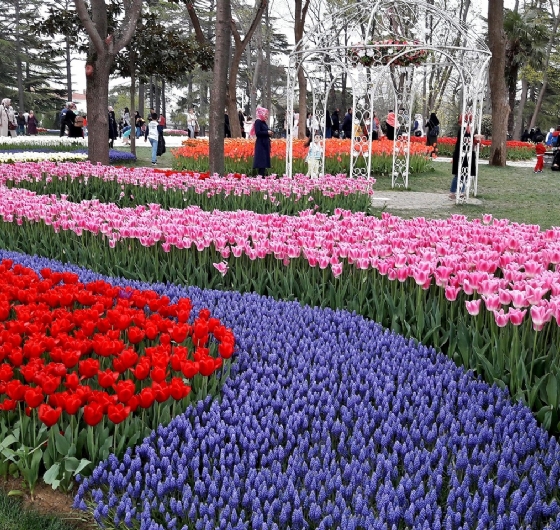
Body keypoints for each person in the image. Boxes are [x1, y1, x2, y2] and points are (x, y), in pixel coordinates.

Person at [449, 114, 479, 200]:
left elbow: (469, 141)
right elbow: (466, 140)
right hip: (461, 154)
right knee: (459, 174)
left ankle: (461, 192)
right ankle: (453, 192)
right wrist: (475, 139)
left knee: (465, 174)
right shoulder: (463, 130)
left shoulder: (468, 130)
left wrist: (475, 141)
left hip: (467, 154)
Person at [252, 106, 272, 176]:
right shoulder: (258, 121)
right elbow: (257, 133)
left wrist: (270, 132)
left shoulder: (263, 122)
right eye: (265, 114)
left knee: (264, 161)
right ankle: (260, 176)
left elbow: (265, 130)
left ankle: (262, 176)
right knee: (261, 161)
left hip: (265, 143)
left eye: (267, 114)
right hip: (261, 144)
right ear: (261, 113)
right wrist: (267, 132)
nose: (267, 116)